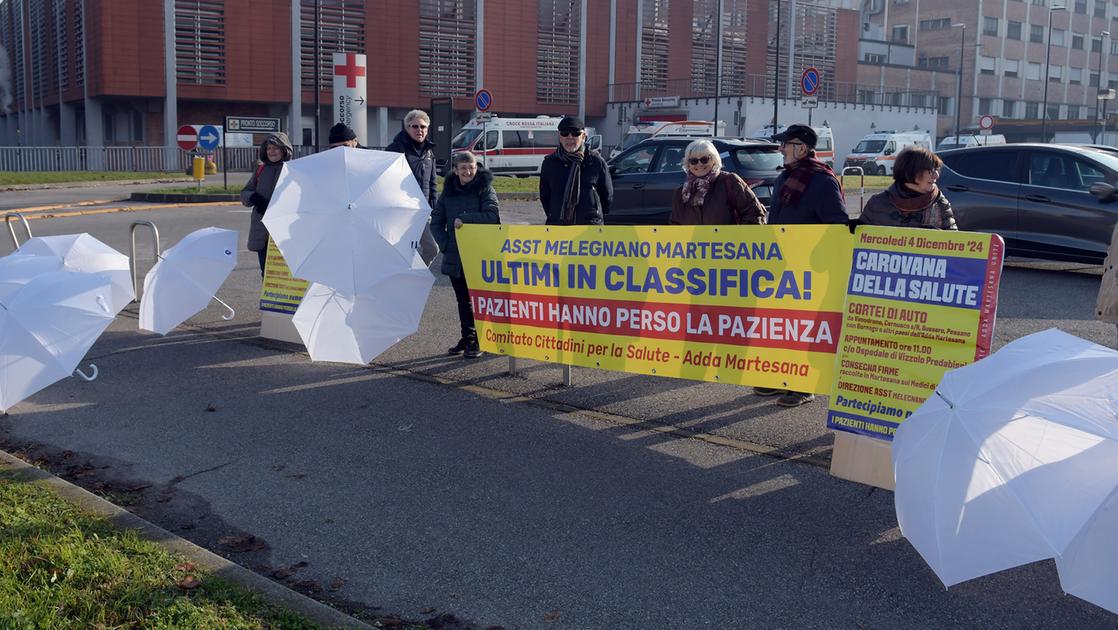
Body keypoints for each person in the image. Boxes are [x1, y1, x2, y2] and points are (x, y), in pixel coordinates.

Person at [755, 123, 848, 408]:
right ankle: (778, 376)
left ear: (803, 148)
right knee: (780, 324)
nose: (781, 148)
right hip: (782, 262)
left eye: (787, 143)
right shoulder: (786, 177)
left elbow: (838, 224)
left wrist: (816, 255)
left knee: (803, 328)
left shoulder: (822, 180)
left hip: (810, 268)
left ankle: (803, 384)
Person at [430, 151, 500, 359]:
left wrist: (464, 219)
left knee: (480, 300)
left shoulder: (485, 188)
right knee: (463, 301)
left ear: (476, 167)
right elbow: (436, 222)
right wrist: (446, 245)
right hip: (455, 256)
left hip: (480, 255)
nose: (467, 171)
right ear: (456, 170)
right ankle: (467, 337)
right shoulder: (448, 192)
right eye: (463, 168)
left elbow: (492, 216)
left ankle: (479, 338)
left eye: (471, 167)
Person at [854, 146, 957, 230]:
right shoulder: (878, 203)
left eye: (937, 170)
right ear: (911, 171)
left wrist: (938, 237)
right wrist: (857, 228)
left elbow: (955, 244)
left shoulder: (940, 203)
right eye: (931, 171)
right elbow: (862, 242)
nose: (936, 176)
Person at [669, 139, 766, 225]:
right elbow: (675, 225)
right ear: (688, 164)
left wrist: (738, 239)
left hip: (728, 245)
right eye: (694, 161)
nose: (699, 164)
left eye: (704, 159)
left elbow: (754, 214)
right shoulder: (681, 193)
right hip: (693, 245)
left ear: (714, 160)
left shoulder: (730, 181)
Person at [539, 116, 613, 225]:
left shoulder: (596, 162)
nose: (570, 137)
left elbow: (607, 197)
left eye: (575, 133)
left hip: (589, 227)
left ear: (583, 136)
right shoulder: (550, 163)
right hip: (558, 228)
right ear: (560, 137)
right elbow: (545, 197)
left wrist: (595, 215)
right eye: (565, 133)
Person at [240, 132, 293, 276]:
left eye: (276, 148)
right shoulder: (261, 170)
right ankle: (268, 299)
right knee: (266, 273)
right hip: (263, 230)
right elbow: (245, 193)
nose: (272, 151)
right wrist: (254, 197)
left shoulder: (293, 170)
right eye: (269, 148)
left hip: (286, 232)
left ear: (284, 149)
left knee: (286, 275)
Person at [386, 109, 437, 209]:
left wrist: (434, 207)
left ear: (427, 129)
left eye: (423, 126)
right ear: (407, 128)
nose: (419, 129)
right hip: (401, 207)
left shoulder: (429, 152)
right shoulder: (395, 149)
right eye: (415, 126)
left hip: (423, 207)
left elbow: (433, 183)